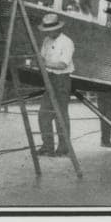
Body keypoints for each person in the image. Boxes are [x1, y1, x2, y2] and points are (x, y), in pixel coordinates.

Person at [37, 13, 75, 157]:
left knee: (61, 115)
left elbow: (62, 64)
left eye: (50, 30)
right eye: (46, 30)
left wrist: (44, 63)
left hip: (62, 80)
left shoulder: (67, 42)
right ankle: (48, 146)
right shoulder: (46, 40)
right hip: (50, 79)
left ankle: (63, 148)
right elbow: (41, 57)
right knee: (43, 114)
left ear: (58, 28)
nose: (48, 33)